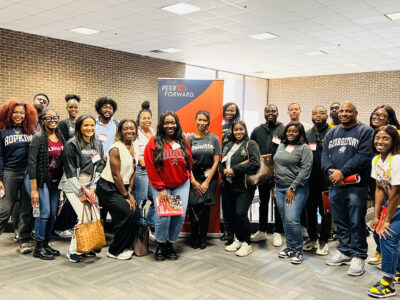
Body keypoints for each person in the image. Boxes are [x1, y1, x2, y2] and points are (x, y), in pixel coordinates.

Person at [322, 102, 374, 276]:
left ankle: (358, 255)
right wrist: (332, 173)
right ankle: (345, 250)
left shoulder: (365, 131)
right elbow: (325, 156)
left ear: (356, 113)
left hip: (356, 186)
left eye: (348, 111)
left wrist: (342, 173)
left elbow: (364, 156)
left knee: (356, 222)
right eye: (341, 111)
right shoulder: (332, 132)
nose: (343, 113)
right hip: (336, 184)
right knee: (340, 220)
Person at [144, 111, 192, 261]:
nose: (170, 125)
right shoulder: (153, 142)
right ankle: (161, 244)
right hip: (162, 186)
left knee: (179, 215)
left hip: (181, 184)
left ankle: (171, 243)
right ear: (161, 125)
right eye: (166, 123)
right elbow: (150, 167)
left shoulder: (183, 141)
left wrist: (187, 176)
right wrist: (160, 188)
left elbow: (189, 161)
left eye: (173, 123)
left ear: (177, 124)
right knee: (163, 216)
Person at [58, 115, 105, 263]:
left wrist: (93, 187)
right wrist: (80, 192)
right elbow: (70, 170)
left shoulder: (98, 144)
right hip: (73, 185)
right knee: (83, 216)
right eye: (86, 125)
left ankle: (87, 246)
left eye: (92, 125)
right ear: (79, 127)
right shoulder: (71, 144)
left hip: (90, 184)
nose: (89, 128)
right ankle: (73, 251)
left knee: (93, 215)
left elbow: (100, 166)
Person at [97, 119, 140, 260]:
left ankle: (127, 245)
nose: (129, 131)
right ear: (120, 131)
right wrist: (126, 196)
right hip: (108, 187)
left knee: (135, 211)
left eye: (132, 128)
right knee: (126, 212)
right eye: (125, 128)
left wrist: (130, 192)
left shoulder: (135, 146)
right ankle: (114, 250)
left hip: (124, 187)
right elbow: (116, 175)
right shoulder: (115, 148)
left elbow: (133, 170)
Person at [25, 108, 64, 260]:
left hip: (54, 181)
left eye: (55, 117)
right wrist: (34, 190)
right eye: (49, 118)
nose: (53, 120)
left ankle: (46, 243)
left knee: (53, 214)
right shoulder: (38, 137)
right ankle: (39, 247)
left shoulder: (60, 136)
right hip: (38, 180)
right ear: (43, 121)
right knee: (44, 213)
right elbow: (32, 163)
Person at [0, 98, 37, 254]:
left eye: (22, 112)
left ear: (26, 114)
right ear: (9, 113)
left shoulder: (31, 131)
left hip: (28, 173)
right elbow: (0, 156)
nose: (18, 115)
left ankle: (23, 240)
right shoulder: (2, 131)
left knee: (26, 209)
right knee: (4, 209)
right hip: (9, 172)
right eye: (15, 112)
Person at [367, 125, 400, 298]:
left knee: (388, 235)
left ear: (394, 141)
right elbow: (380, 188)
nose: (380, 141)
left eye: (385, 138)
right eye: (377, 138)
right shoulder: (377, 160)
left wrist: (387, 220)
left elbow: (396, 192)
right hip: (393, 205)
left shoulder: (397, 160)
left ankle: (388, 282)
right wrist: (377, 215)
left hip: (397, 204)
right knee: (379, 234)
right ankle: (398, 269)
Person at [274, 122, 313, 264]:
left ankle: (298, 250)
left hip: (296, 189)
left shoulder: (304, 148)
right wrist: (275, 184)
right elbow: (277, 165)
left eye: (294, 131)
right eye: (289, 131)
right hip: (279, 187)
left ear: (300, 133)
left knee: (292, 219)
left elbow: (305, 170)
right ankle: (289, 247)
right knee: (285, 219)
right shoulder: (282, 145)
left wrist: (293, 187)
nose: (291, 133)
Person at [220, 120, 260, 257]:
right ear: (232, 131)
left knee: (241, 214)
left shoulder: (251, 144)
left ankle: (247, 243)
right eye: (236, 130)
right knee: (232, 215)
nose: (238, 132)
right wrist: (224, 171)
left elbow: (255, 163)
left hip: (244, 187)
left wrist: (235, 170)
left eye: (241, 129)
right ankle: (238, 239)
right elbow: (221, 163)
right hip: (228, 186)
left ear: (245, 130)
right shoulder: (227, 145)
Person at [250, 104, 285, 247]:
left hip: (279, 171)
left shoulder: (283, 129)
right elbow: (251, 147)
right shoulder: (257, 130)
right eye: (268, 111)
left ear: (277, 113)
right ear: (264, 113)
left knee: (279, 203)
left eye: (273, 111)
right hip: (263, 171)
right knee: (263, 202)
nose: (270, 113)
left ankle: (277, 232)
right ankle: (262, 230)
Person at [188, 110, 221, 250]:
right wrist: (194, 182)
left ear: (208, 122)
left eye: (204, 120)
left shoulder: (214, 139)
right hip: (193, 176)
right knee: (194, 206)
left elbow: (216, 162)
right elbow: (186, 162)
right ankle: (194, 236)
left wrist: (207, 182)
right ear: (195, 120)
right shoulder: (189, 139)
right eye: (199, 120)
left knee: (204, 206)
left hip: (210, 178)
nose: (202, 123)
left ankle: (203, 238)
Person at [303, 106, 331, 255]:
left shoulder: (332, 134)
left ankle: (324, 241)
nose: (318, 116)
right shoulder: (307, 135)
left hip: (327, 182)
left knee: (326, 212)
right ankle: (312, 238)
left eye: (321, 113)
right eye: (315, 113)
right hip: (310, 181)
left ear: (327, 115)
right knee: (310, 211)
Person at [55, 94, 81, 239]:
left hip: (81, 164)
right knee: (69, 197)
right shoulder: (64, 124)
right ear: (66, 108)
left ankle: (70, 225)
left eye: (75, 107)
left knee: (77, 196)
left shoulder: (82, 122)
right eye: (70, 107)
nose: (73, 109)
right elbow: (64, 144)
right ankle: (61, 226)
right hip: (69, 163)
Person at [220, 102, 240, 245]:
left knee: (233, 205)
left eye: (232, 111)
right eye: (227, 110)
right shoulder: (219, 127)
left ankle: (235, 232)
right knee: (225, 204)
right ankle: (227, 232)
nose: (229, 113)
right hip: (220, 167)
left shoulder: (238, 127)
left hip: (234, 170)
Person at [134, 101, 155, 229]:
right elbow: (133, 149)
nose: (147, 120)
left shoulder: (152, 131)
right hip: (141, 170)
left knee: (156, 199)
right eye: (144, 118)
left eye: (149, 118)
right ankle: (139, 233)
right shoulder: (136, 132)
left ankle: (148, 221)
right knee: (141, 201)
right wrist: (139, 159)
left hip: (153, 170)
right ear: (139, 120)